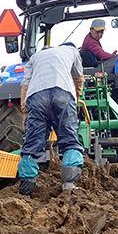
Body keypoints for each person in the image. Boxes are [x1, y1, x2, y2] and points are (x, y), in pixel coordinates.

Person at [17, 43, 85, 196]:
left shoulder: (34, 57)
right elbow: (78, 78)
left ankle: (26, 193)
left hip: (36, 97)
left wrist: (24, 110)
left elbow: (25, 85)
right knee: (70, 141)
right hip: (62, 93)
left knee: (32, 145)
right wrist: (76, 97)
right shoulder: (72, 51)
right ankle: (69, 185)